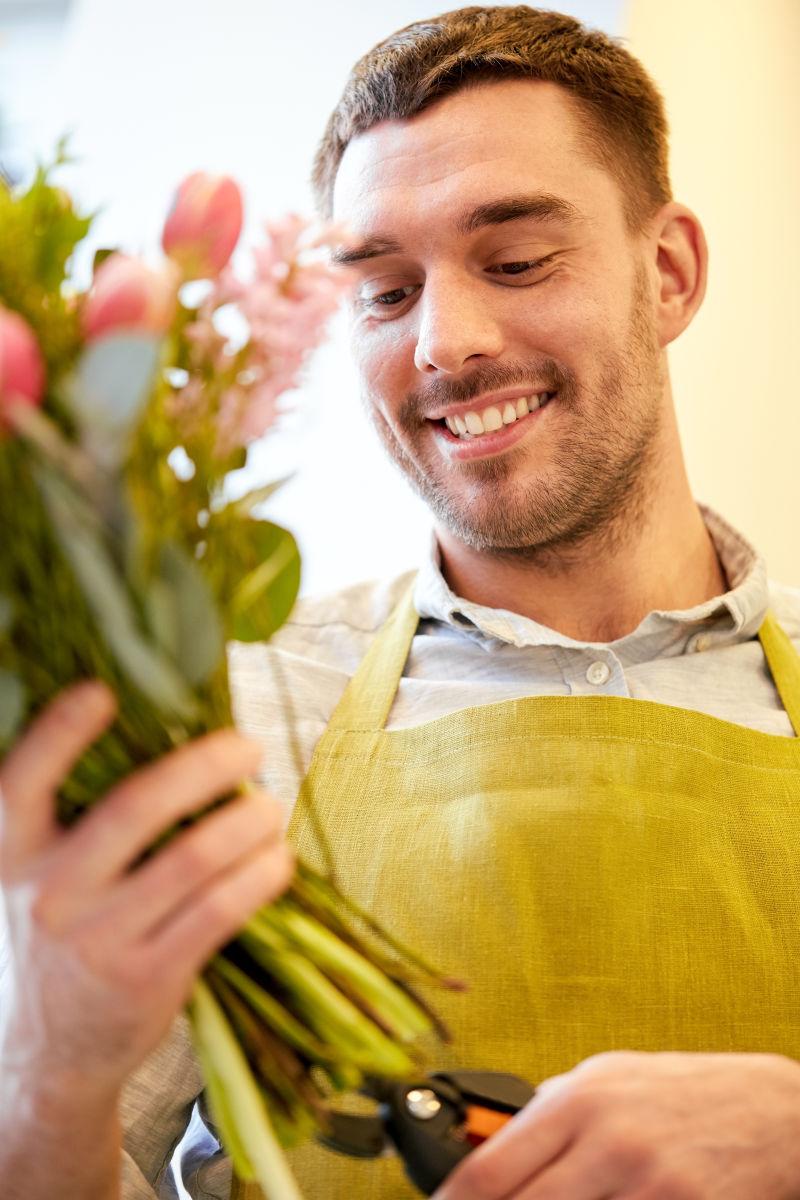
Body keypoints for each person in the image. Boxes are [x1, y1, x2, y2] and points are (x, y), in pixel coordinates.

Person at [2, 5, 800, 1199]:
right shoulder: (218, 720)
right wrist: (48, 1071)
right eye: (381, 290)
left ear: (668, 271)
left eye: (517, 260)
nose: (446, 341)